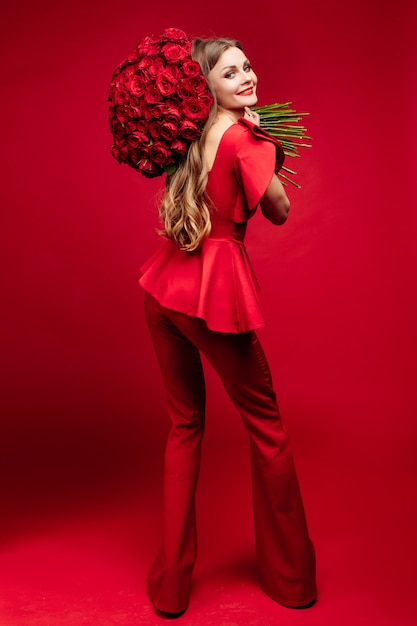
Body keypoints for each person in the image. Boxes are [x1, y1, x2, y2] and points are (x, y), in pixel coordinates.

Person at [139, 36, 317, 617]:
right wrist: (272, 143)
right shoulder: (246, 139)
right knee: (268, 428)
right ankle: (292, 582)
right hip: (213, 297)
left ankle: (169, 588)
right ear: (206, 85)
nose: (245, 76)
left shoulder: (192, 136)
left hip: (163, 289)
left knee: (183, 426)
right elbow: (279, 210)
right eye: (229, 72)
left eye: (247, 66)